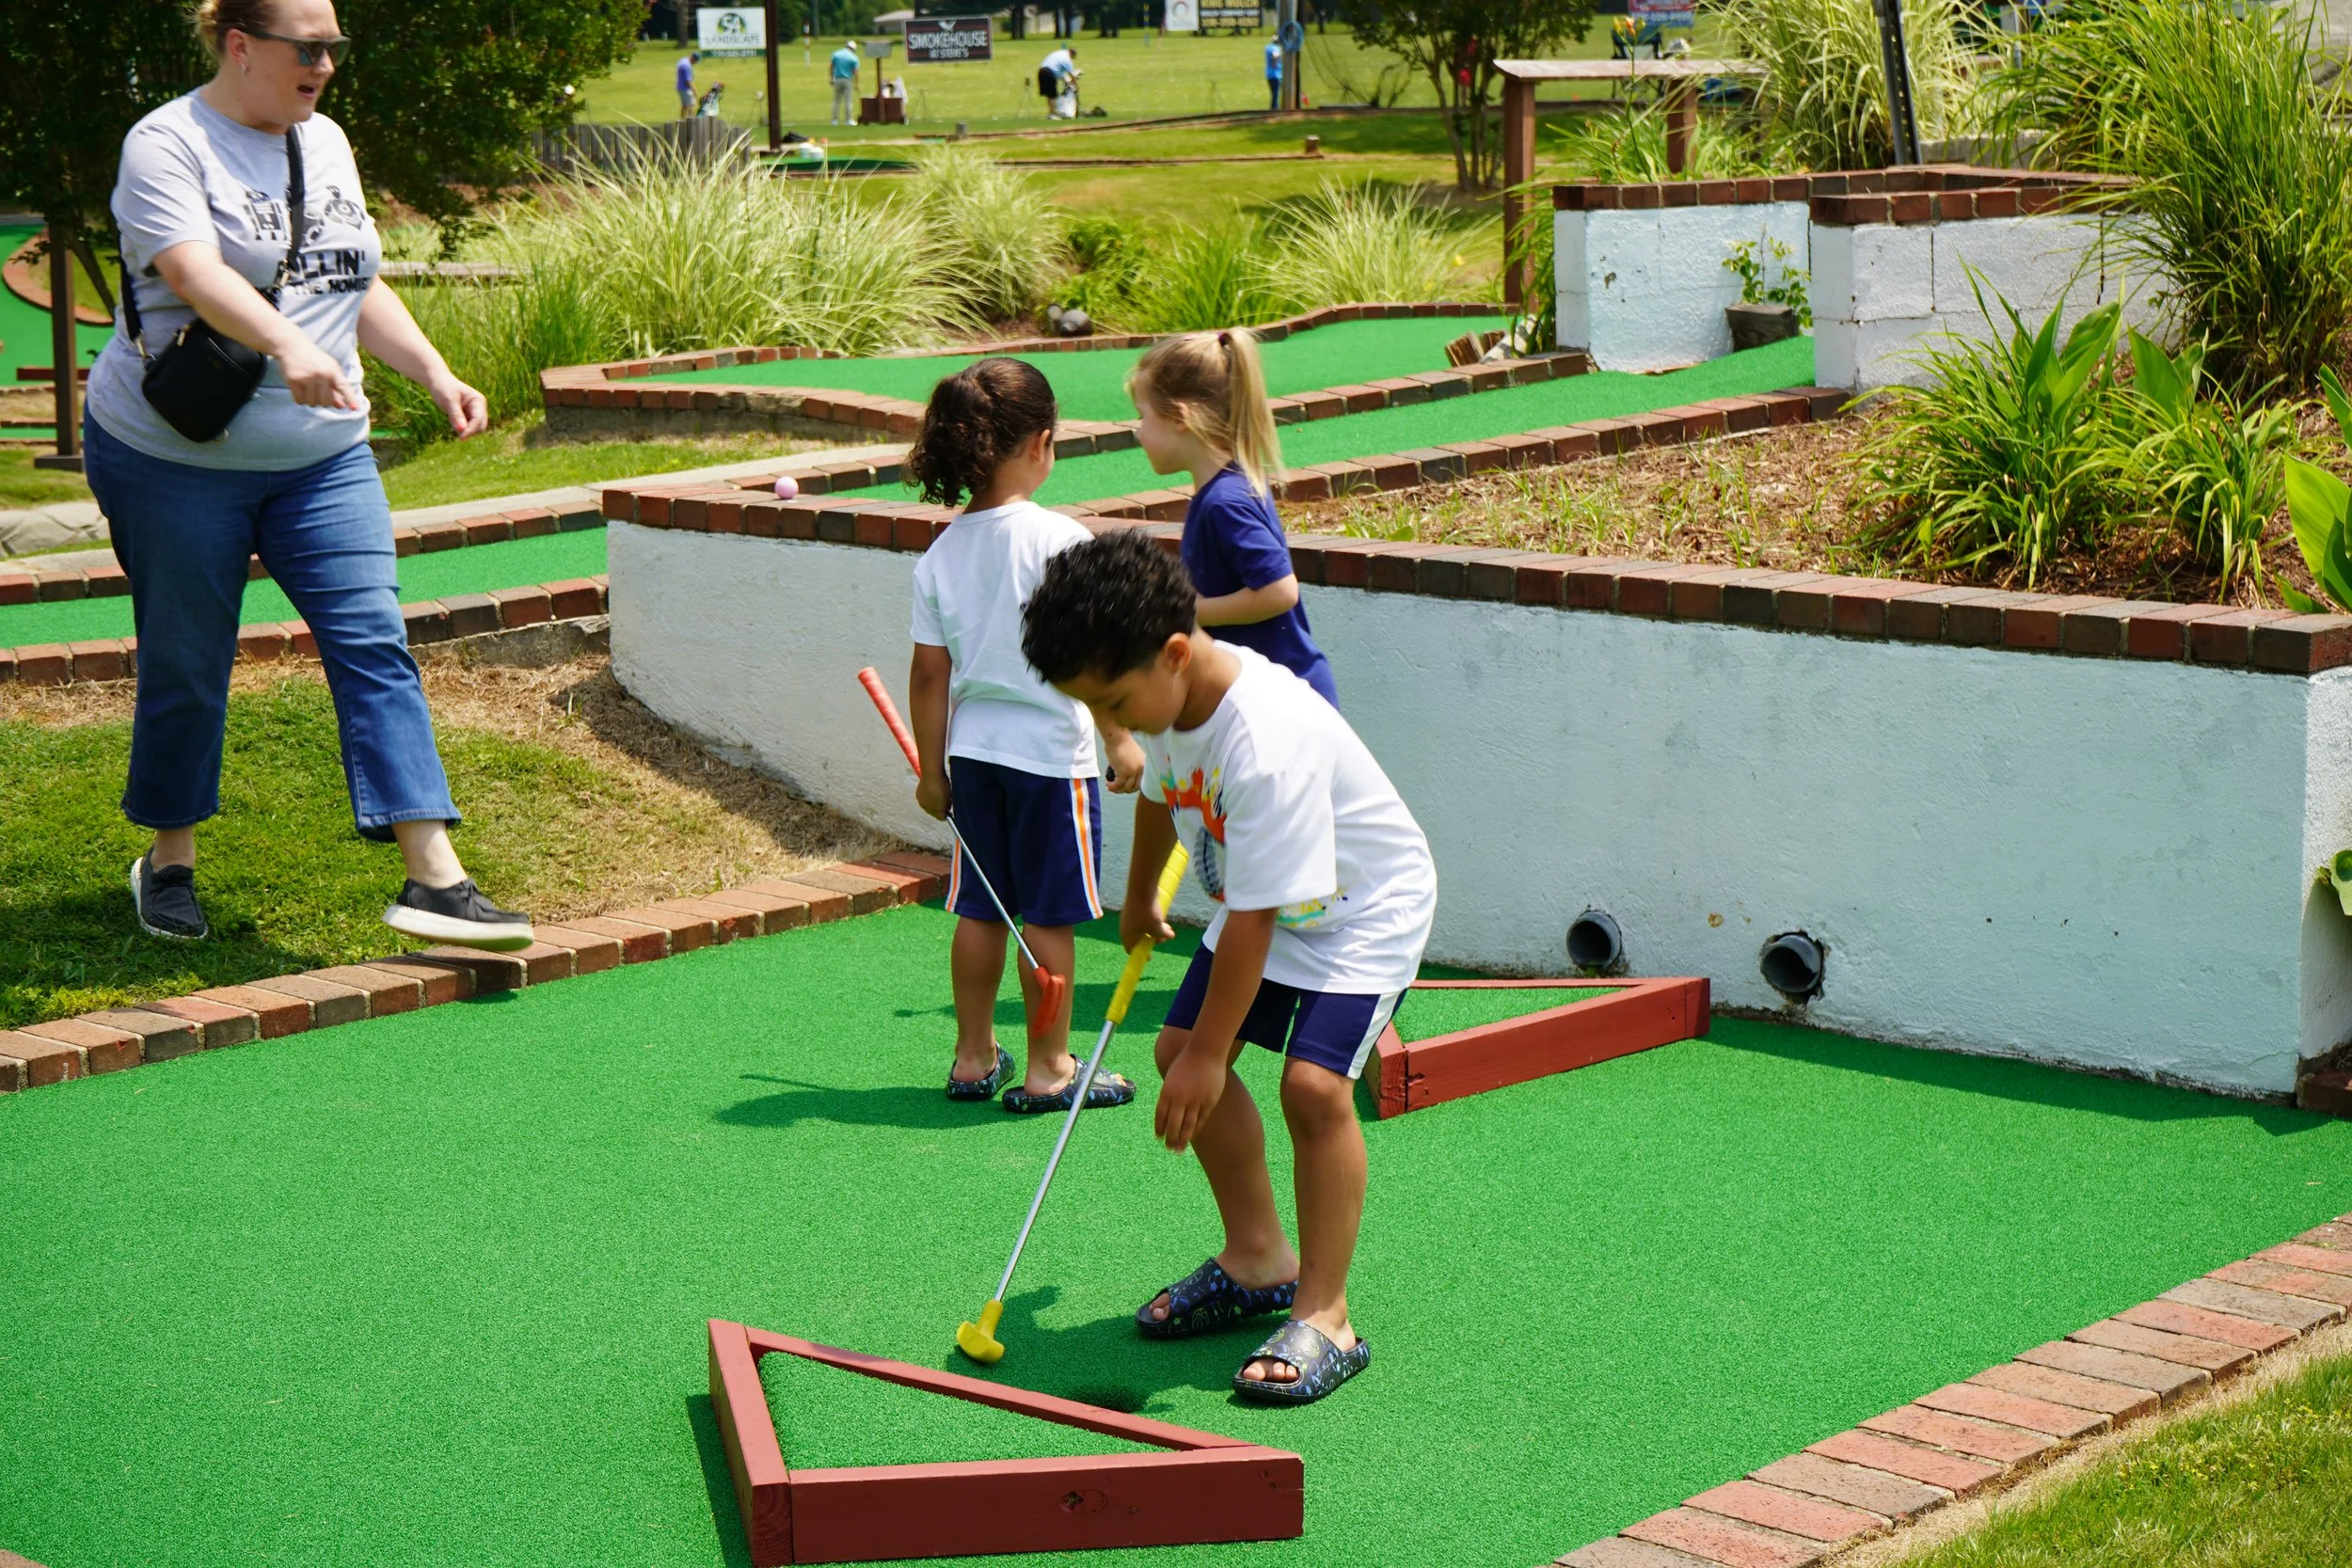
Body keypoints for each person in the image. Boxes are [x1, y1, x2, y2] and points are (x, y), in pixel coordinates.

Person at [82, 0, 532, 953]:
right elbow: (197, 273)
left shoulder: (323, 140)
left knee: (373, 636)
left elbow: (350, 276)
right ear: (239, 45)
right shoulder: (165, 144)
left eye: (335, 47)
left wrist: (434, 370)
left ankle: (433, 876)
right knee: (189, 660)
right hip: (173, 456)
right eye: (308, 47)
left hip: (322, 457)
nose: (326, 63)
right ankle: (168, 857)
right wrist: (287, 346)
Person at [1021, 529, 1437, 1406]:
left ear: (1173, 652)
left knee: (1313, 1088)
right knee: (1176, 1050)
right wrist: (1138, 897)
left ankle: (1326, 1313)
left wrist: (1217, 1054)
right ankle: (1259, 1259)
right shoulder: (1169, 702)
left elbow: (1251, 918)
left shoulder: (1265, 742)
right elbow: (1161, 794)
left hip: (1362, 908)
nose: (1115, 728)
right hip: (1276, 900)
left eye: (1115, 703)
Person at [903, 359, 1147, 1111]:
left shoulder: (940, 554)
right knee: (1046, 915)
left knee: (981, 909)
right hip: (1050, 759)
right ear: (1039, 443)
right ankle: (1048, 1066)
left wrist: (931, 769)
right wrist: (1119, 740)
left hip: (975, 759)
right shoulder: (1061, 539)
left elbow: (926, 676)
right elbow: (1087, 659)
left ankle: (974, 1057)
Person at [1128, 328, 1338, 707]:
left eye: (1142, 416)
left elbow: (1279, 591)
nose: (1137, 432)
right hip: (1269, 697)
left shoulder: (1224, 502)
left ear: (1179, 417)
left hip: (1288, 702)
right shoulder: (1224, 491)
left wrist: (1190, 611)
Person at [1039, 43, 1078, 119]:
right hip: (1049, 72)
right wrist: (1075, 86)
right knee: (1053, 94)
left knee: (1049, 94)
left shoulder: (1060, 53)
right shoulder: (1067, 60)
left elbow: (1059, 72)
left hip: (1042, 70)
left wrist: (1066, 81)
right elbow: (1072, 75)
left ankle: (1051, 113)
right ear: (1072, 54)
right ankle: (1052, 114)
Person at [829, 40, 861, 124]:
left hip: (837, 79)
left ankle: (834, 120)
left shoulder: (836, 54)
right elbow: (856, 72)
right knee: (848, 101)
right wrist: (857, 83)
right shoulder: (854, 57)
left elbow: (831, 67)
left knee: (836, 101)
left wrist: (831, 78)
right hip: (847, 80)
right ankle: (848, 120)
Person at [675, 48, 698, 118]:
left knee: (685, 105)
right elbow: (688, 80)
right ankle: (692, 122)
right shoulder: (687, 66)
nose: (695, 63)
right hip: (686, 88)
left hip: (680, 87)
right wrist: (694, 90)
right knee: (691, 105)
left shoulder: (682, 61)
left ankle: (682, 121)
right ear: (693, 59)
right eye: (695, 61)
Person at [1264, 37, 1283, 111]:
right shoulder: (1276, 48)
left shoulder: (1268, 47)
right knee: (1276, 93)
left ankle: (1275, 107)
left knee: (1274, 93)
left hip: (1269, 74)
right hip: (1276, 74)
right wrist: (1275, 62)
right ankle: (1274, 109)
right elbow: (1275, 56)